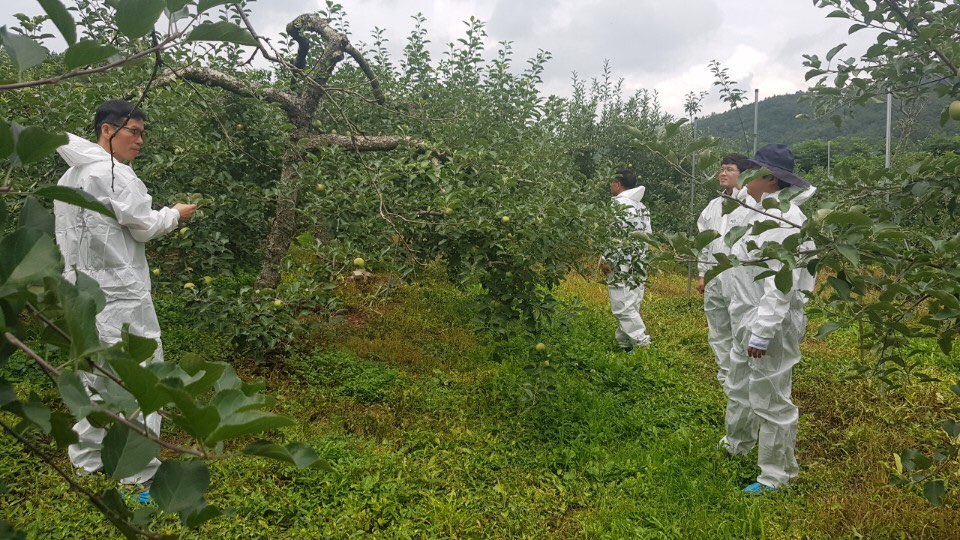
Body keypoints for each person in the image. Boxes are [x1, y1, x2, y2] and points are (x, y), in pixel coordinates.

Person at [54, 100, 196, 499]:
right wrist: (176, 214)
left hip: (80, 291)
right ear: (107, 130)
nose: (140, 140)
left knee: (94, 374)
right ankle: (138, 474)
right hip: (120, 294)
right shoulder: (115, 173)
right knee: (140, 376)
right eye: (134, 131)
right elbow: (145, 226)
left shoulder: (71, 175)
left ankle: (88, 462)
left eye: (143, 133)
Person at [719, 144, 816, 493]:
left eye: (753, 170)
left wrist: (763, 331)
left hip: (771, 320)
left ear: (772, 179)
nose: (745, 175)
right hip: (745, 313)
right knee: (739, 383)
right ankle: (737, 443)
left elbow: (782, 281)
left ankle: (777, 476)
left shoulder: (785, 219)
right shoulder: (756, 210)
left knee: (771, 396)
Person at [696, 154, 752, 387]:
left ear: (743, 174)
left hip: (740, 276)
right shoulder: (714, 205)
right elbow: (704, 241)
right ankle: (725, 375)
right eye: (721, 169)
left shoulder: (751, 204)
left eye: (729, 169)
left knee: (740, 324)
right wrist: (702, 273)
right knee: (718, 327)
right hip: (715, 275)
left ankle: (742, 375)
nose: (722, 173)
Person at [600, 168, 652, 353]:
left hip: (620, 261)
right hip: (638, 261)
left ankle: (642, 342)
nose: (610, 186)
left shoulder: (617, 205)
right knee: (633, 301)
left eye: (612, 182)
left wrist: (606, 258)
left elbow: (612, 235)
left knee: (622, 305)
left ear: (618, 184)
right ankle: (624, 343)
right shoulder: (642, 207)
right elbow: (647, 236)